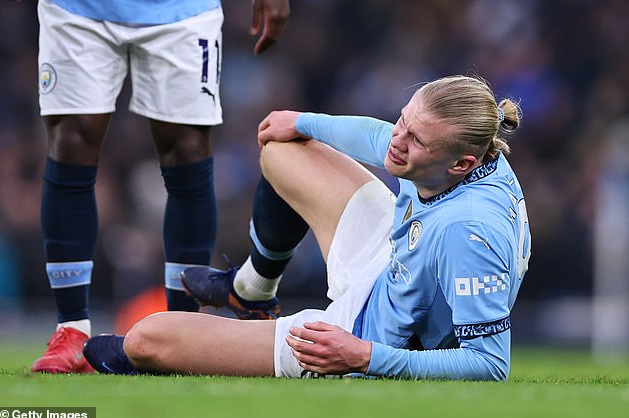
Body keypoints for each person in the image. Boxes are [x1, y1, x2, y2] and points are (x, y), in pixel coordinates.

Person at [83, 75, 532, 380]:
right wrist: (301, 121)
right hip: (391, 265)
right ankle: (251, 291)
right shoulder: (464, 149)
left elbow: (488, 364)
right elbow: (380, 139)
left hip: (365, 335)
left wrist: (365, 357)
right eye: (403, 120)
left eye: (415, 139)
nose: (397, 139)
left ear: (461, 164)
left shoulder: (469, 231)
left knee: (146, 338)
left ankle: (262, 315)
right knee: (282, 147)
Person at [31, 0, 290, 374]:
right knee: (71, 141)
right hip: (77, 8)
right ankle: (71, 330)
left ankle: (182, 331)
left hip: (180, 9)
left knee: (186, 149)